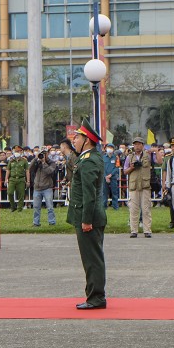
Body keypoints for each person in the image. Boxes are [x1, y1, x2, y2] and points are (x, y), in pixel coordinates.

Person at [67, 120, 107, 310]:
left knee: (92, 260)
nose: (74, 140)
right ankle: (94, 295)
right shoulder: (88, 158)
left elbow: (89, 194)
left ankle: (96, 297)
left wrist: (86, 220)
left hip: (88, 217)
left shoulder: (89, 160)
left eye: (77, 137)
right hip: (87, 215)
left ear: (87, 140)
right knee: (91, 258)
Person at [123, 137, 153, 238]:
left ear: (143, 145)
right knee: (133, 209)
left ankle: (147, 230)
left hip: (145, 186)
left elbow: (159, 161)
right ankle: (134, 230)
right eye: (135, 144)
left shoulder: (148, 155)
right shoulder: (129, 157)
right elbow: (125, 171)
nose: (137, 146)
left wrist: (156, 151)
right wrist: (131, 167)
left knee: (146, 209)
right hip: (134, 186)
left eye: (139, 144)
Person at [29, 148, 57, 227]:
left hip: (47, 187)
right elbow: (30, 168)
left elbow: (49, 171)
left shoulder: (51, 163)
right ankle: (36, 223)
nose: (43, 155)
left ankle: (52, 222)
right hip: (37, 188)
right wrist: (35, 158)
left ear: (48, 154)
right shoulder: (37, 162)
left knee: (50, 206)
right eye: (42, 153)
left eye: (45, 153)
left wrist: (44, 163)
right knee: (36, 207)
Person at [5, 145, 29, 212]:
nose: (17, 153)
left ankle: (20, 208)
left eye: (18, 151)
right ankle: (13, 206)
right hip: (12, 179)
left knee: (21, 194)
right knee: (10, 193)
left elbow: (27, 171)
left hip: (21, 179)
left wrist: (28, 181)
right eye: (16, 151)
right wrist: (6, 179)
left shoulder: (24, 161)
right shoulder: (11, 160)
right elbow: (8, 170)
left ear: (21, 152)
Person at [102, 143, 120, 210]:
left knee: (114, 192)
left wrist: (110, 175)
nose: (110, 149)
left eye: (111, 147)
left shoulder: (116, 157)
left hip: (113, 177)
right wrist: (106, 176)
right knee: (104, 192)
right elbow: (102, 167)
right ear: (106, 148)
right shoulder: (103, 157)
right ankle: (104, 206)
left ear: (113, 149)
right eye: (108, 147)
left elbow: (117, 167)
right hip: (104, 178)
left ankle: (115, 206)